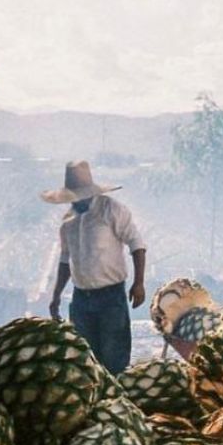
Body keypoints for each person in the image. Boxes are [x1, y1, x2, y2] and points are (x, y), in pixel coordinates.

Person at [43, 160, 146, 374]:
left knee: (113, 357)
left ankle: (115, 403)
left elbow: (137, 244)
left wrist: (139, 283)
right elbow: (65, 259)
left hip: (110, 296)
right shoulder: (68, 222)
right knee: (85, 360)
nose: (75, 202)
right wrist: (56, 295)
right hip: (81, 299)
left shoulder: (111, 210)